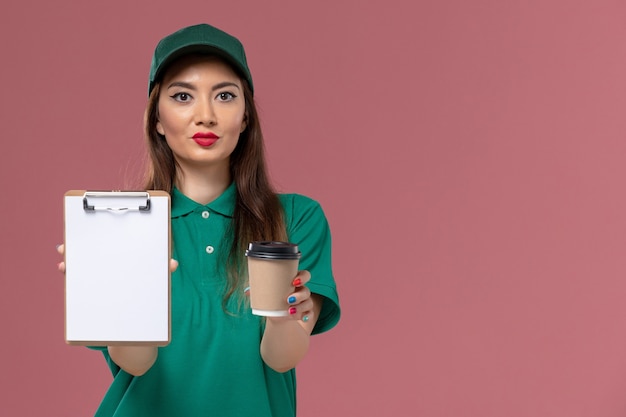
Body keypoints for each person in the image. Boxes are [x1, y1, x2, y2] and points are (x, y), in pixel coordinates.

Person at [57, 23, 340, 417]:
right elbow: (136, 363)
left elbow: (282, 358)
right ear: (157, 117)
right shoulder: (120, 225)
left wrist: (282, 313)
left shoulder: (295, 218)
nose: (205, 116)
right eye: (182, 96)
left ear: (245, 117)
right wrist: (111, 293)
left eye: (225, 95)